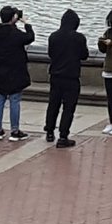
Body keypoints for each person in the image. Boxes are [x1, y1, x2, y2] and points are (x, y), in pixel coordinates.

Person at [45, 9, 88, 147]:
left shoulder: (53, 36)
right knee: (68, 108)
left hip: (55, 76)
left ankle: (49, 131)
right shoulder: (79, 38)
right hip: (71, 77)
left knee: (53, 104)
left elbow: (51, 54)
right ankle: (63, 136)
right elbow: (84, 55)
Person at [0, 5, 33, 141]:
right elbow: (29, 37)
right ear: (13, 18)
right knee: (14, 99)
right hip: (15, 70)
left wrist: (13, 21)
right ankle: (14, 131)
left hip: (0, 69)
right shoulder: (15, 34)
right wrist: (26, 23)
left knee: (0, 98)